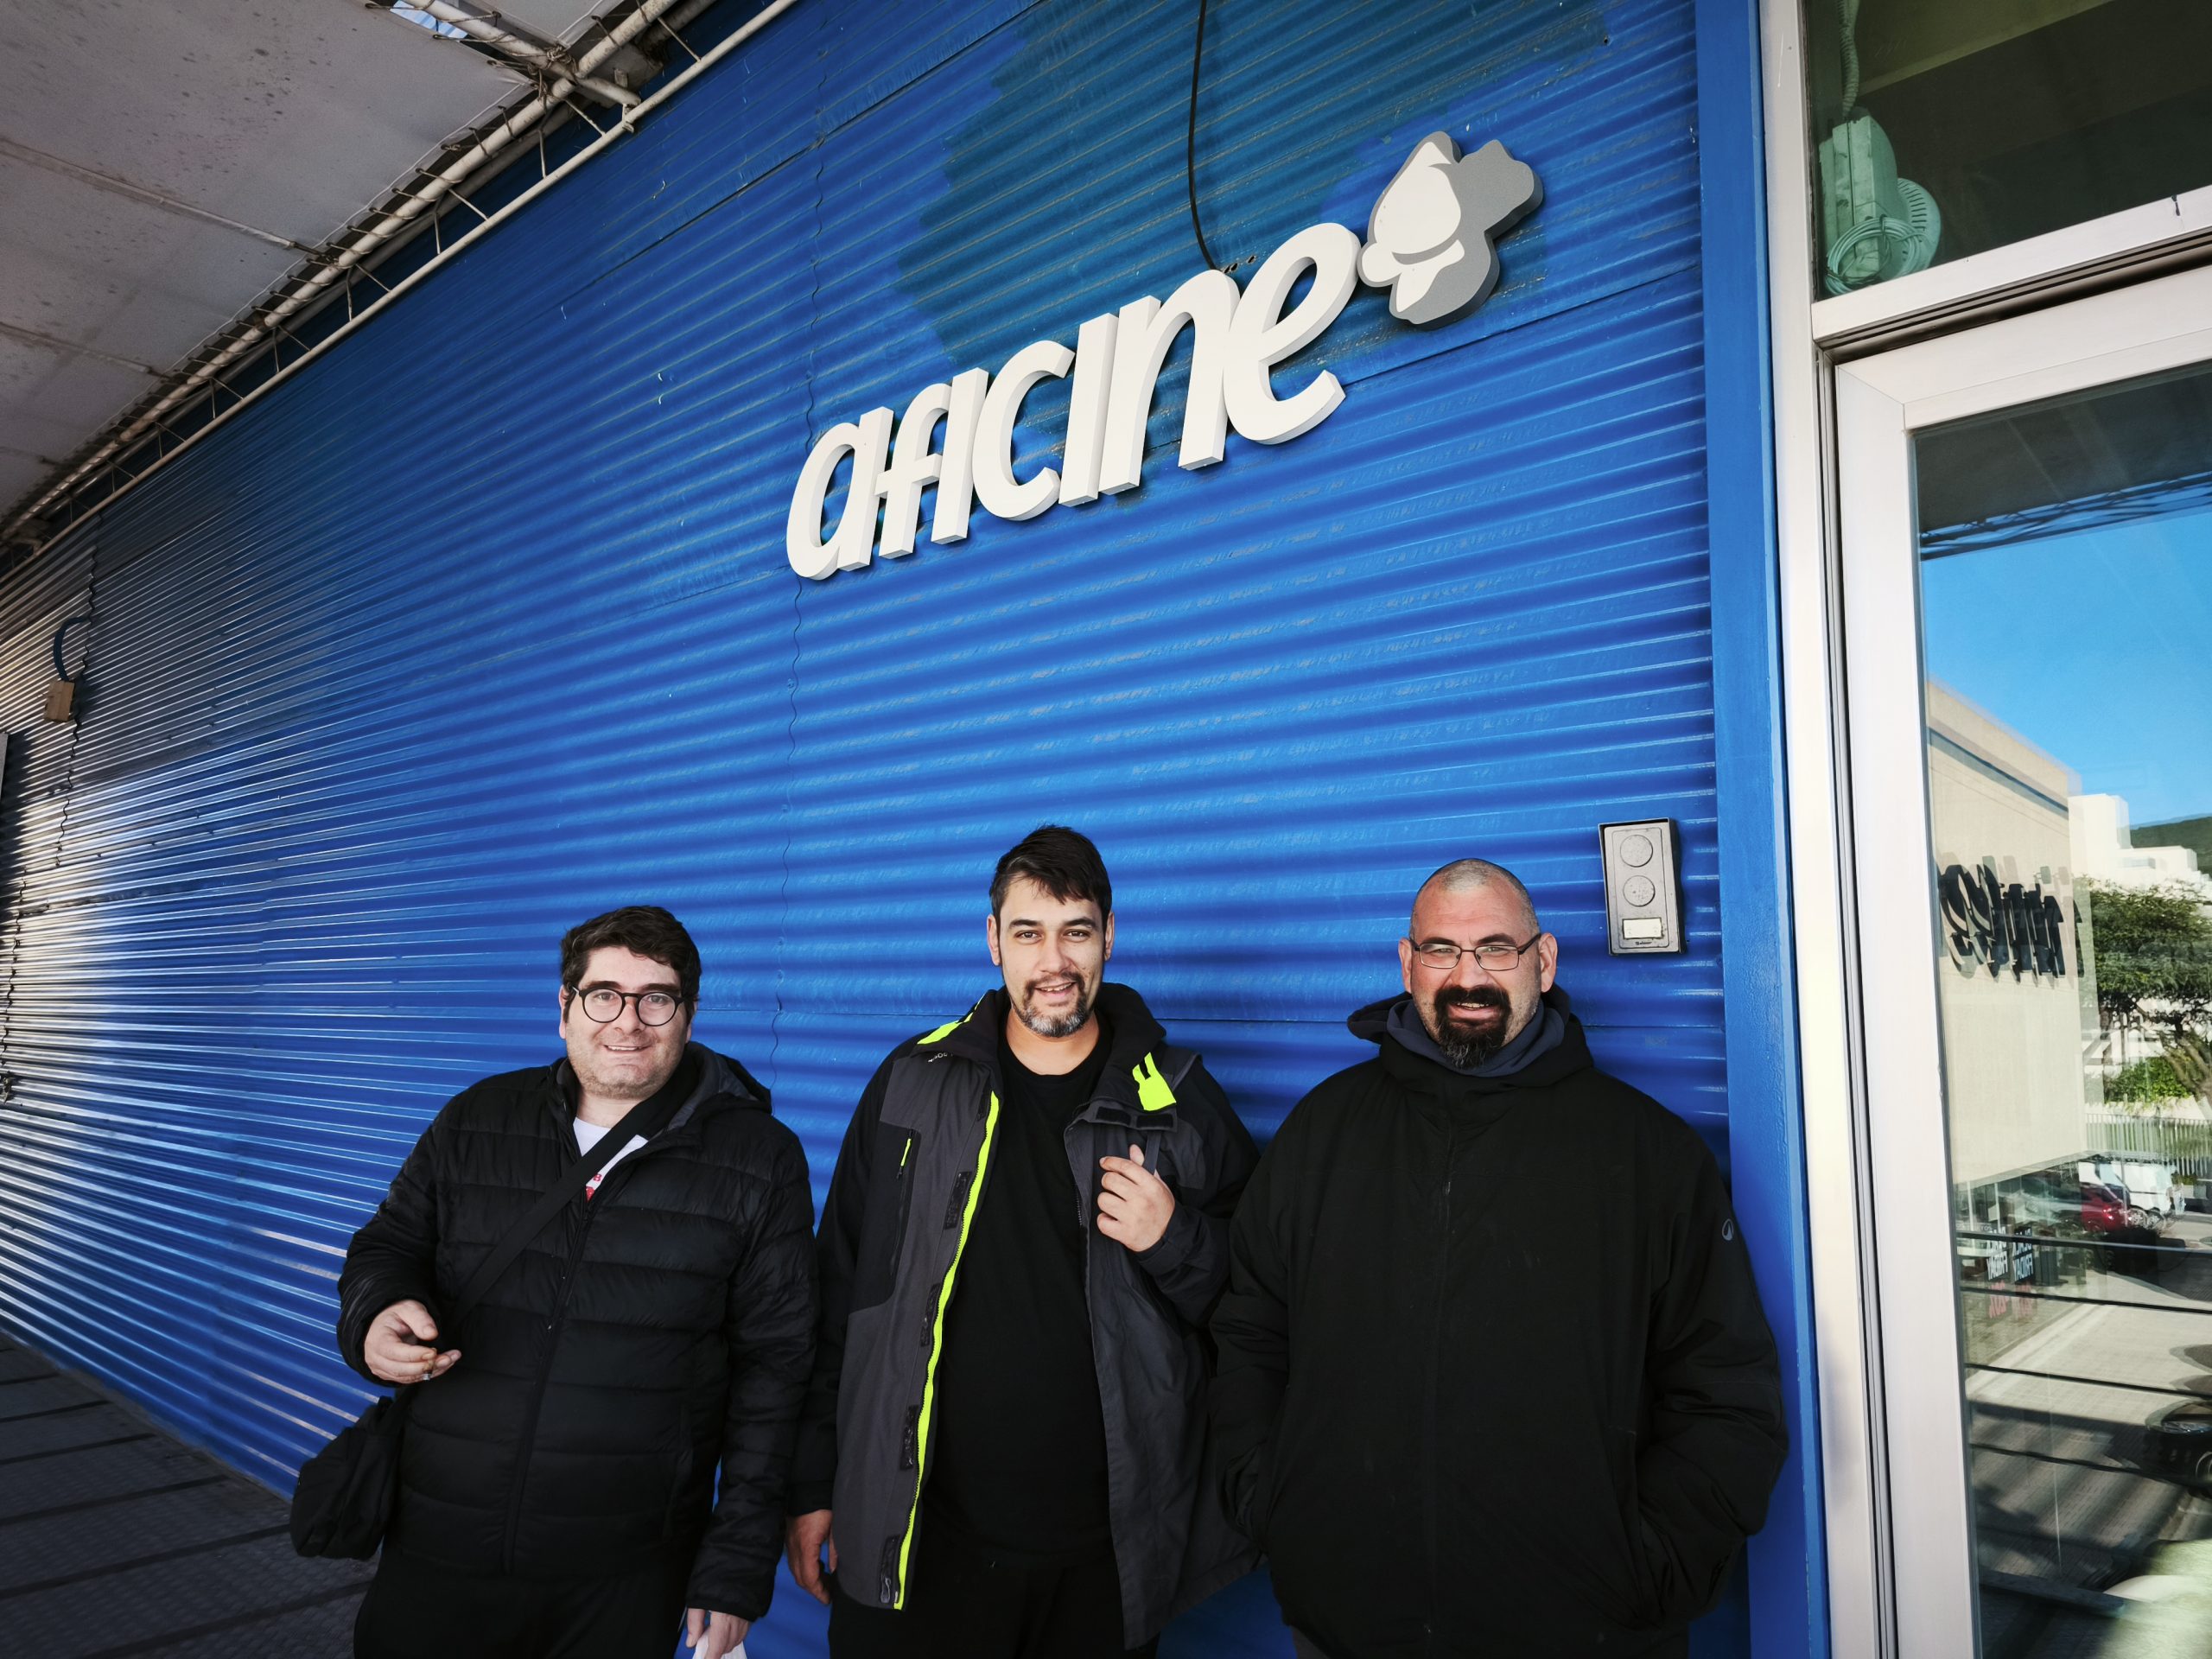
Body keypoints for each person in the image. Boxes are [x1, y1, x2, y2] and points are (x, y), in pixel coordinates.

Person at [1211, 859, 1787, 1659]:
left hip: (1585, 1633)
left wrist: (1648, 1567)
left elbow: (1725, 1388)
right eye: (1441, 950)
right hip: (1349, 1622)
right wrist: (1273, 1504)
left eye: (1495, 948)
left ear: (1542, 962)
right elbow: (1250, 1331)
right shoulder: (1321, 1135)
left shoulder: (1648, 1156)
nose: (1468, 977)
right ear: (1407, 964)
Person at [787, 825, 1260, 1658]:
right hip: (921, 1541)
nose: (1054, 961)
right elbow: (841, 1295)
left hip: (1104, 1562)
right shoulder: (911, 1085)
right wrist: (813, 1481)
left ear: (1109, 936)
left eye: (1076, 931)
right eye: (1028, 932)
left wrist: (1174, 1240)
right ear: (993, 940)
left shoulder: (1181, 1103)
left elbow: (1260, 1309)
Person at [337, 906, 817, 1659]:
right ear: (564, 1008)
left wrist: (734, 1568)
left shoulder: (759, 1159)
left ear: (689, 1016)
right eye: (604, 996)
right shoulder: (477, 1119)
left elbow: (777, 1370)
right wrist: (375, 1315)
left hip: (625, 1570)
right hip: (439, 1539)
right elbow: (387, 1246)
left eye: (656, 999)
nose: (628, 1022)